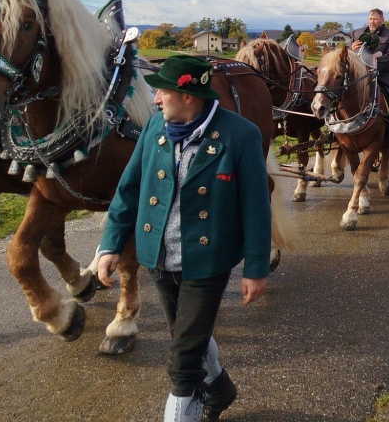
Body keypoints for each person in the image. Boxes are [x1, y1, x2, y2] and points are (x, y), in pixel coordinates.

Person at [96, 56, 271, 422]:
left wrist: (255, 268)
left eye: (162, 91)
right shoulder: (154, 127)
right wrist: (110, 245)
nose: (155, 99)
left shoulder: (240, 135)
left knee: (182, 358)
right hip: (158, 257)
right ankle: (220, 388)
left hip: (206, 261)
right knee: (186, 334)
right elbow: (128, 190)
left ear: (188, 96)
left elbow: (256, 207)